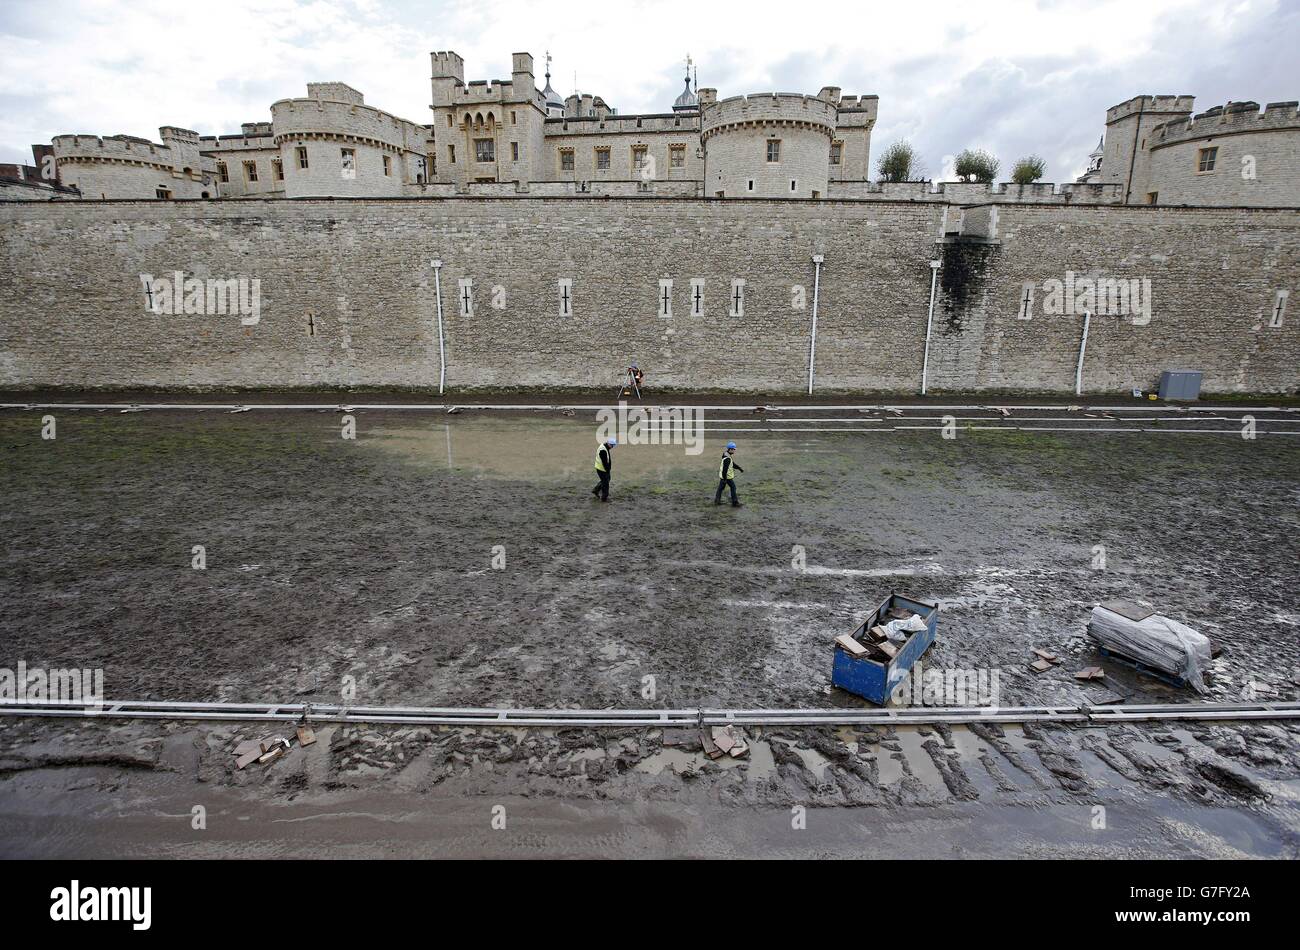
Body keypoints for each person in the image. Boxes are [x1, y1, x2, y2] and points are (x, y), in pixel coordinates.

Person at [714, 441, 744, 507]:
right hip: (727, 477)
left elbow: (732, 464)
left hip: (723, 477)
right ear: (730, 449)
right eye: (733, 449)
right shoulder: (727, 458)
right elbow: (725, 469)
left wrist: (739, 468)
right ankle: (735, 502)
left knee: (720, 489)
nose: (734, 451)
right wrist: (725, 479)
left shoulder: (726, 455)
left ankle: (717, 501)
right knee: (733, 487)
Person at [592, 437, 616, 502]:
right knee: (606, 484)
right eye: (612, 445)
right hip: (602, 469)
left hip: (601, 468)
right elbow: (604, 462)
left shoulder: (604, 446)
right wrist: (607, 470)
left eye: (613, 445)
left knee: (606, 480)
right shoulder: (603, 450)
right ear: (609, 443)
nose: (613, 447)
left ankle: (596, 490)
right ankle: (604, 498)